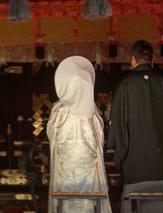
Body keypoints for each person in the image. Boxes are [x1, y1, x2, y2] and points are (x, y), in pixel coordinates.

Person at [107, 40, 163, 213]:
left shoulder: (125, 84)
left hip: (137, 164)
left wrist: (119, 156)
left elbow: (119, 124)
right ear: (151, 59)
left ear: (133, 60)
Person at [47, 56, 112, 213]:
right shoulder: (93, 115)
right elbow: (99, 145)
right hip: (89, 181)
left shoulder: (59, 112)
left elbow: (52, 139)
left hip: (65, 179)